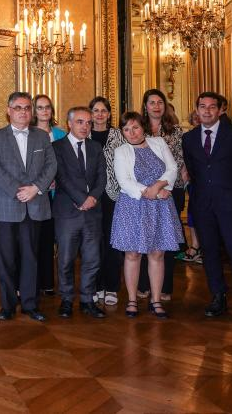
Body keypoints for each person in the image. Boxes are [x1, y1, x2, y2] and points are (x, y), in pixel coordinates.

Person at [182, 92, 232, 324]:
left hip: (231, 204)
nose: (206, 111)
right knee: (210, 252)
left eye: (212, 107)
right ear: (197, 110)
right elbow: (193, 170)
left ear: (220, 110)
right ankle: (218, 297)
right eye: (202, 106)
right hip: (203, 205)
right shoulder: (189, 138)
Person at [0, 91, 57, 322]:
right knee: (6, 259)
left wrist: (35, 188)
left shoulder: (42, 137)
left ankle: (30, 304)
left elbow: (51, 166)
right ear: (9, 111)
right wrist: (19, 191)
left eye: (27, 108)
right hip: (6, 205)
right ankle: (7, 305)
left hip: (35, 205)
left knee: (31, 257)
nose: (23, 112)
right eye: (18, 107)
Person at [111, 111, 182, 320]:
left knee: (157, 254)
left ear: (143, 127)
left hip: (160, 206)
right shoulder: (121, 151)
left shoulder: (158, 142)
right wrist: (152, 192)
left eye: (135, 127)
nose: (131, 133)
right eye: (126, 129)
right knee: (132, 254)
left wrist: (159, 186)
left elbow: (172, 168)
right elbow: (124, 181)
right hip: (133, 206)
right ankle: (132, 299)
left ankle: (156, 300)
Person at [52, 107, 107, 319]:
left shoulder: (95, 147)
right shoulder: (57, 147)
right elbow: (61, 177)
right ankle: (66, 300)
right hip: (68, 213)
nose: (85, 127)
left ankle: (87, 300)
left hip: (92, 212)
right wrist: (81, 199)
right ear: (69, 123)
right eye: (80, 122)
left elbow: (102, 177)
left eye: (88, 123)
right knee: (65, 259)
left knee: (92, 260)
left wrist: (92, 198)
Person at [138, 89, 187, 302]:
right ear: (145, 106)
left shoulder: (175, 131)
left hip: (171, 189)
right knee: (144, 237)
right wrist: (150, 187)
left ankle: (165, 287)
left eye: (160, 102)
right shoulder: (138, 129)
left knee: (166, 240)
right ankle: (144, 284)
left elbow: (178, 161)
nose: (156, 106)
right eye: (152, 102)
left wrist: (164, 185)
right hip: (145, 191)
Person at [89, 96, 124, 307]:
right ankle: (95, 285)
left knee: (112, 241)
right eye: (96, 110)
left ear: (109, 114)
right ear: (91, 114)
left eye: (103, 110)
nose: (100, 114)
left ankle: (111, 286)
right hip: (91, 195)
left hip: (114, 195)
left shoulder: (119, 135)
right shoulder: (84, 133)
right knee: (93, 242)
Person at [32, 94, 66, 297]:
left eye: (47, 107)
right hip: (37, 194)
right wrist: (42, 182)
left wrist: (57, 181)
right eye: (40, 107)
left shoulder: (61, 134)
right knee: (37, 238)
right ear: (34, 111)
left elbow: (67, 164)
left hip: (58, 195)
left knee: (54, 238)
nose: (44, 111)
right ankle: (37, 281)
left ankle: (50, 282)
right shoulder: (29, 132)